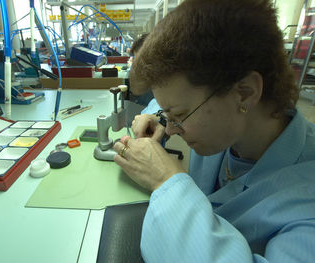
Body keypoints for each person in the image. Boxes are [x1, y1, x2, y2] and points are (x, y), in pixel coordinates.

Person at [112, 0, 315, 262]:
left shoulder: (306, 205)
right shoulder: (227, 125)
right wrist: (157, 116)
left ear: (245, 92)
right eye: (169, 116)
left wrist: (166, 182)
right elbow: (178, 98)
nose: (172, 129)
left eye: (181, 115)